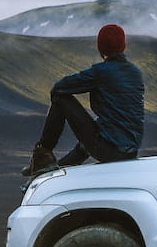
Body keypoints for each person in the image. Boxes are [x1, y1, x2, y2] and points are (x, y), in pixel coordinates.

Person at [22, 23, 145, 176]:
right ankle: (57, 172)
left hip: (110, 150)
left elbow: (59, 87)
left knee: (61, 98)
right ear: (123, 46)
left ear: (101, 48)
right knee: (95, 135)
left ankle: (42, 155)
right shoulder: (135, 73)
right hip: (130, 151)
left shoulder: (101, 72)